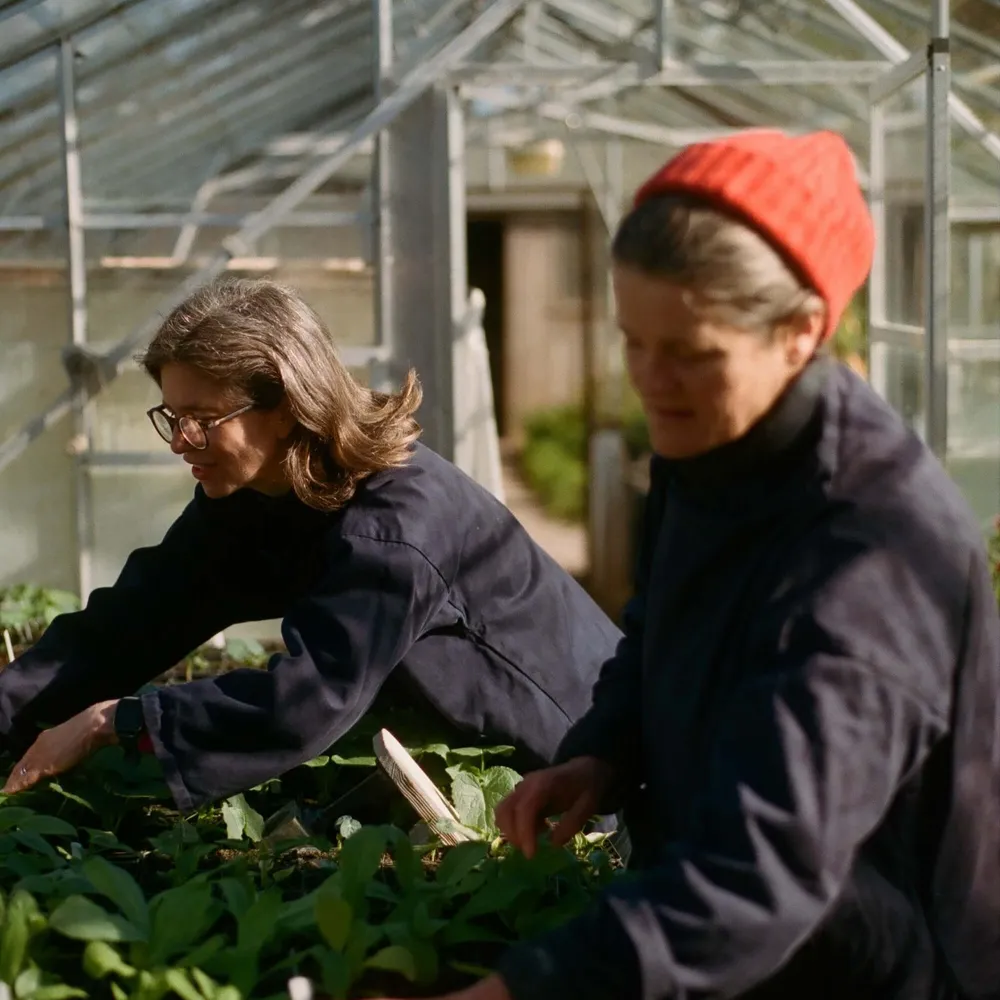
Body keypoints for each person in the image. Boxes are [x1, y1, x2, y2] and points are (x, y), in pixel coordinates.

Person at [384, 131, 1000, 1000]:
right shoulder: (710, 438)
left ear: (802, 331)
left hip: (883, 961)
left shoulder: (876, 549)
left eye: (691, 353)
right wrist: (603, 754)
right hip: (744, 939)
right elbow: (658, 626)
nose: (652, 381)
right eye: (635, 342)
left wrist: (521, 989)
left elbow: (766, 874)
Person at [0, 278, 623, 813]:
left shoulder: (396, 524)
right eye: (170, 416)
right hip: (464, 753)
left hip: (585, 771)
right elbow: (131, 623)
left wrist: (115, 722)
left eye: (201, 420)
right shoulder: (253, 499)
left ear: (285, 404)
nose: (179, 441)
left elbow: (306, 700)